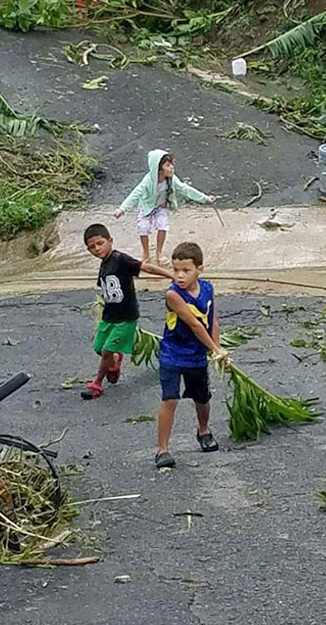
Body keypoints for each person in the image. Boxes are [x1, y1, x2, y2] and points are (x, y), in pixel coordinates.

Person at [155, 242, 231, 469]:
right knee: (170, 399)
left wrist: (217, 350)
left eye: (186, 270)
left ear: (200, 269)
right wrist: (216, 350)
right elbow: (196, 325)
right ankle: (162, 449)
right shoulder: (173, 294)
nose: (179, 276)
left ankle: (203, 430)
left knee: (202, 398)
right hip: (173, 354)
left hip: (197, 355)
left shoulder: (208, 289)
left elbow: (212, 321)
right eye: (176, 270)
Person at [83, 223, 174, 401]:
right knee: (99, 348)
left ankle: (97, 384)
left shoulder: (120, 259)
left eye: (100, 243)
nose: (97, 249)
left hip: (125, 317)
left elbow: (146, 267)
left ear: (110, 241)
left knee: (108, 350)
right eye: (92, 247)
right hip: (109, 317)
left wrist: (170, 275)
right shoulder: (104, 265)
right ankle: (114, 364)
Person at [114, 149, 217, 266]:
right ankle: (146, 253)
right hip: (147, 207)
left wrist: (204, 198)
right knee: (143, 228)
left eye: (172, 164)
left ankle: (159, 253)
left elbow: (185, 189)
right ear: (158, 168)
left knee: (162, 225)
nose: (172, 167)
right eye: (168, 165)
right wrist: (122, 209)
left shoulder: (172, 179)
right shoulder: (148, 181)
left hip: (161, 206)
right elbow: (135, 194)